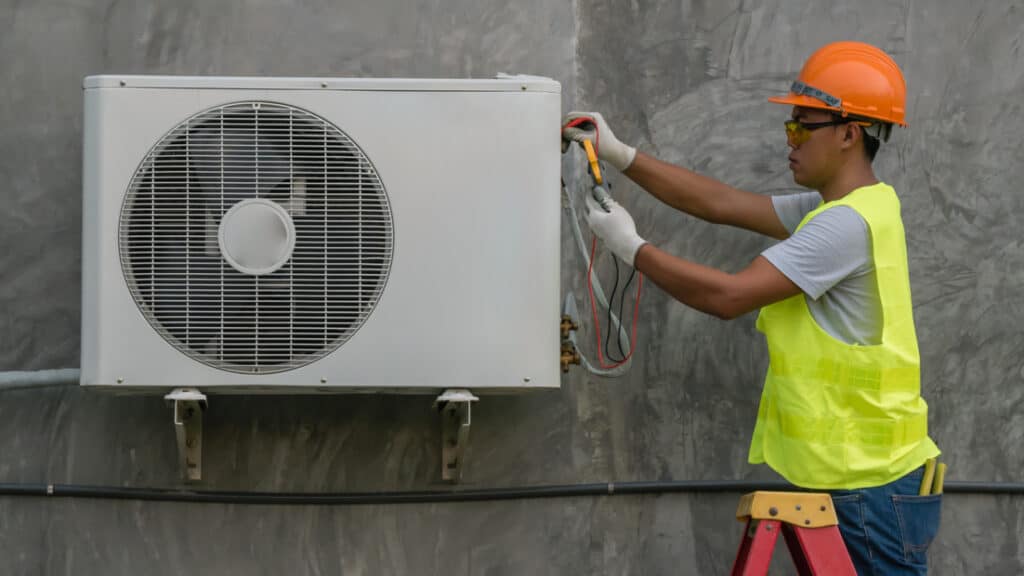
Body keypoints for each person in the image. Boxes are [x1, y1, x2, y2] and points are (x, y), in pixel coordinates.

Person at [563, 41, 942, 575]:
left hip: (869, 489)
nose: (787, 140)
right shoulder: (855, 206)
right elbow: (721, 204)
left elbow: (729, 296)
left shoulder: (841, 226)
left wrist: (633, 249)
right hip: (874, 478)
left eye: (799, 127)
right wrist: (622, 154)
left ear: (849, 133)